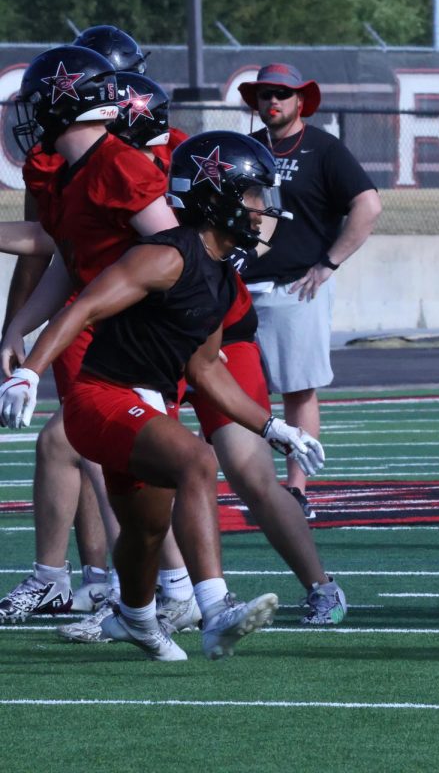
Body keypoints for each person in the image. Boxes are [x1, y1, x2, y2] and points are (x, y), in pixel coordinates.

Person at [0, 131, 324, 662]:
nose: (264, 209)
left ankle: (134, 617)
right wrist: (30, 372)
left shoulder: (220, 277)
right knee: (197, 459)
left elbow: (205, 371)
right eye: (253, 196)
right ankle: (217, 611)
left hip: (148, 403)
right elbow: (80, 309)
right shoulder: (167, 256)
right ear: (217, 195)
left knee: (147, 530)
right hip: (101, 396)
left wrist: (274, 428)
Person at [0, 45, 198, 625]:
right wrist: (20, 331)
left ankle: (182, 593)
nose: (28, 113)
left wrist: (150, 327)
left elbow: (172, 255)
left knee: (115, 455)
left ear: (67, 101)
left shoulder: (117, 162)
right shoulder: (76, 170)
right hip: (116, 328)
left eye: (38, 100)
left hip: (142, 336)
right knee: (109, 461)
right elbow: (66, 259)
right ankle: (165, 593)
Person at [236, 63, 381, 512]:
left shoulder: (323, 149)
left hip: (293, 289)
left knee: (298, 390)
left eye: (282, 93)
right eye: (264, 95)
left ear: (301, 100)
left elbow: (368, 205)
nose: (272, 102)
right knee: (235, 392)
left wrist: (329, 264)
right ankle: (250, 486)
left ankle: (297, 490)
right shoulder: (244, 149)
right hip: (237, 287)